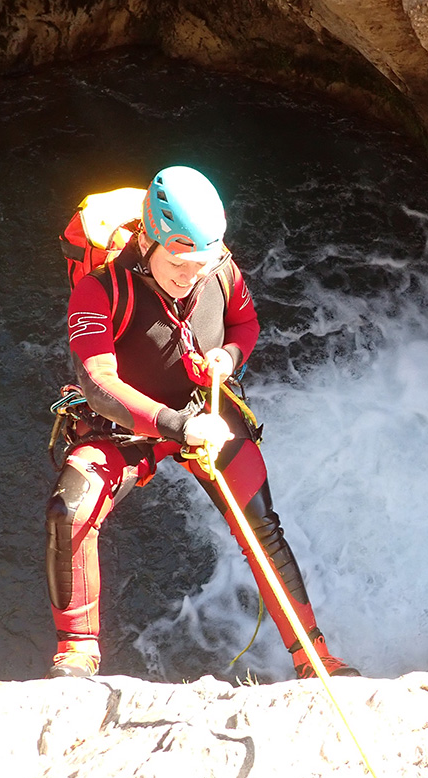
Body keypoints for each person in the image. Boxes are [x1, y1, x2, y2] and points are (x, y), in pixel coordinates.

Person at [44, 165, 358, 680]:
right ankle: (77, 654)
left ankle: (313, 655)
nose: (191, 275)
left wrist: (230, 358)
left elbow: (244, 322)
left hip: (202, 409)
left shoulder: (222, 270)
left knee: (261, 525)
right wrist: (175, 428)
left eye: (202, 262)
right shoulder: (101, 291)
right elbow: (99, 383)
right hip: (130, 421)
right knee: (70, 508)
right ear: (148, 238)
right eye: (178, 260)